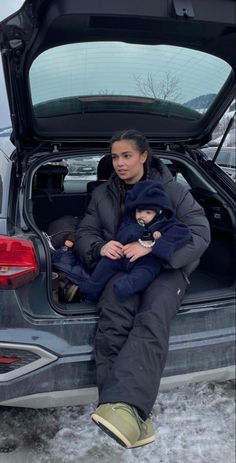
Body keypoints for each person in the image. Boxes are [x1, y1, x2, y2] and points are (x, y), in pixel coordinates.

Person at [75, 129, 211, 449]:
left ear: (143, 156)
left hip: (166, 269)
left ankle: (129, 408)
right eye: (114, 157)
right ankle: (118, 409)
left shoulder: (172, 190)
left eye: (126, 156)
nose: (119, 163)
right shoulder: (103, 194)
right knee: (113, 315)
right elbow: (84, 231)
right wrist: (98, 246)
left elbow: (199, 233)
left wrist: (150, 248)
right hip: (123, 267)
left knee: (152, 315)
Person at [79, 179, 192, 302]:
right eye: (139, 211)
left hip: (147, 261)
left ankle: (125, 287)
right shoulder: (130, 220)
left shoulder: (166, 222)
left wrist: (154, 244)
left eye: (148, 212)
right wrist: (136, 230)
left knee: (145, 274)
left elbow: (183, 233)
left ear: (159, 212)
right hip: (122, 255)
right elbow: (122, 236)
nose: (142, 215)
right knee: (104, 265)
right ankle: (89, 291)